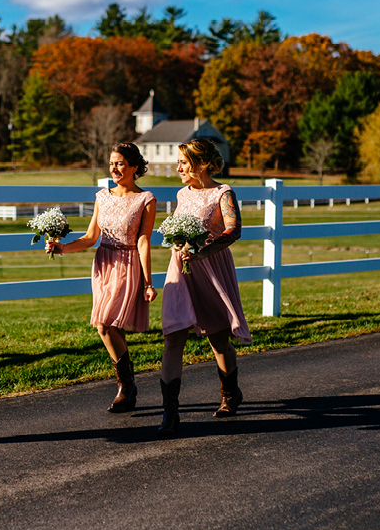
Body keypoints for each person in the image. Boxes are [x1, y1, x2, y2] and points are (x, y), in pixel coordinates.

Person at [46, 143, 157, 411]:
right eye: (111, 163)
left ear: (134, 166)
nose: (115, 168)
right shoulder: (102, 196)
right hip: (103, 264)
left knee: (104, 324)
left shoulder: (147, 200)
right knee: (112, 325)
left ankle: (126, 385)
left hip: (128, 263)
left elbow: (143, 241)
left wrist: (148, 282)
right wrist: (62, 248)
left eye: (120, 163)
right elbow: (90, 237)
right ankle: (128, 387)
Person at [158, 137, 251, 436]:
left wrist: (203, 250)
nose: (178, 168)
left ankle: (230, 393)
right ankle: (170, 413)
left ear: (201, 164)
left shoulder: (223, 193)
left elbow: (233, 229)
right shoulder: (181, 194)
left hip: (211, 268)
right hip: (180, 271)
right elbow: (176, 229)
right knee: (173, 337)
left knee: (218, 340)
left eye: (183, 163)